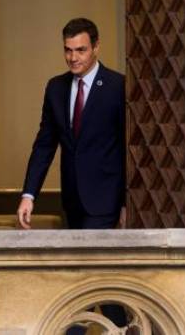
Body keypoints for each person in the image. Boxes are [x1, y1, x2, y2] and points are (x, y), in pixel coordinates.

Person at [17, 17, 126, 230]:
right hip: (71, 201)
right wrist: (28, 195)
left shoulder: (118, 86)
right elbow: (44, 146)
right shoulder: (56, 88)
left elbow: (126, 149)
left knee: (90, 262)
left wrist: (126, 203)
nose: (73, 57)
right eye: (68, 50)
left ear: (96, 47)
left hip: (105, 202)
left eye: (81, 50)